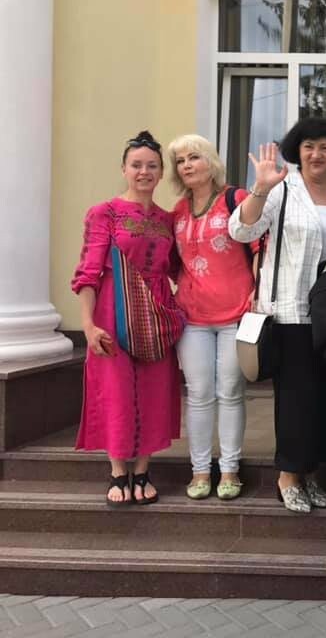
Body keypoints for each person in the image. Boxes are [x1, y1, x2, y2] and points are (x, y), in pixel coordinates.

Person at [228, 117, 326, 513]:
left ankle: (312, 471)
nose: (317, 154)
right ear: (298, 152)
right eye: (309, 147)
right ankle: (288, 475)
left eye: (325, 147)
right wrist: (260, 189)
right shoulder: (281, 191)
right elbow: (241, 231)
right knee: (297, 399)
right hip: (291, 310)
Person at [71, 130, 182, 507]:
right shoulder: (105, 212)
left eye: (152, 166)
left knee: (154, 388)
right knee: (115, 388)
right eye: (136, 165)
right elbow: (88, 273)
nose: (144, 172)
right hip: (112, 310)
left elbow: (181, 269)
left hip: (156, 313)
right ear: (124, 169)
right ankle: (119, 471)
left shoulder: (168, 219)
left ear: (161, 172)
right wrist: (88, 325)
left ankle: (144, 470)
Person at [169, 134, 254, 501]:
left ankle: (230, 469)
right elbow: (172, 262)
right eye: (180, 161)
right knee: (200, 393)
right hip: (192, 317)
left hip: (236, 313)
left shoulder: (236, 199)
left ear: (211, 162)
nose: (187, 165)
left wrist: (256, 292)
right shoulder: (177, 211)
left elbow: (259, 246)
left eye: (194, 157)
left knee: (230, 392)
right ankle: (201, 471)